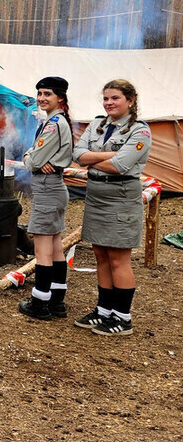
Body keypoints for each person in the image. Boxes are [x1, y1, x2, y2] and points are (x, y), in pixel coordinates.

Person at [71, 79, 151, 337]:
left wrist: (91, 159)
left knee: (118, 257)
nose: (108, 103)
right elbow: (77, 154)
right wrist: (108, 156)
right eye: (106, 98)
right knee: (100, 254)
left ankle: (123, 317)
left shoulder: (140, 131)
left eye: (115, 98)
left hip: (121, 196)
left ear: (130, 101)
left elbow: (120, 166)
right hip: (96, 195)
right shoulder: (97, 124)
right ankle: (104, 310)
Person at [17, 76, 75, 321]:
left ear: (60, 97)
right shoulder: (57, 121)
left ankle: (40, 303)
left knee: (42, 250)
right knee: (55, 247)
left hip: (47, 189)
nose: (41, 98)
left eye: (47, 94)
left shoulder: (53, 124)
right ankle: (57, 302)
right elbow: (36, 157)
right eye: (39, 93)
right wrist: (33, 158)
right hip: (55, 188)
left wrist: (28, 158)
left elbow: (33, 161)